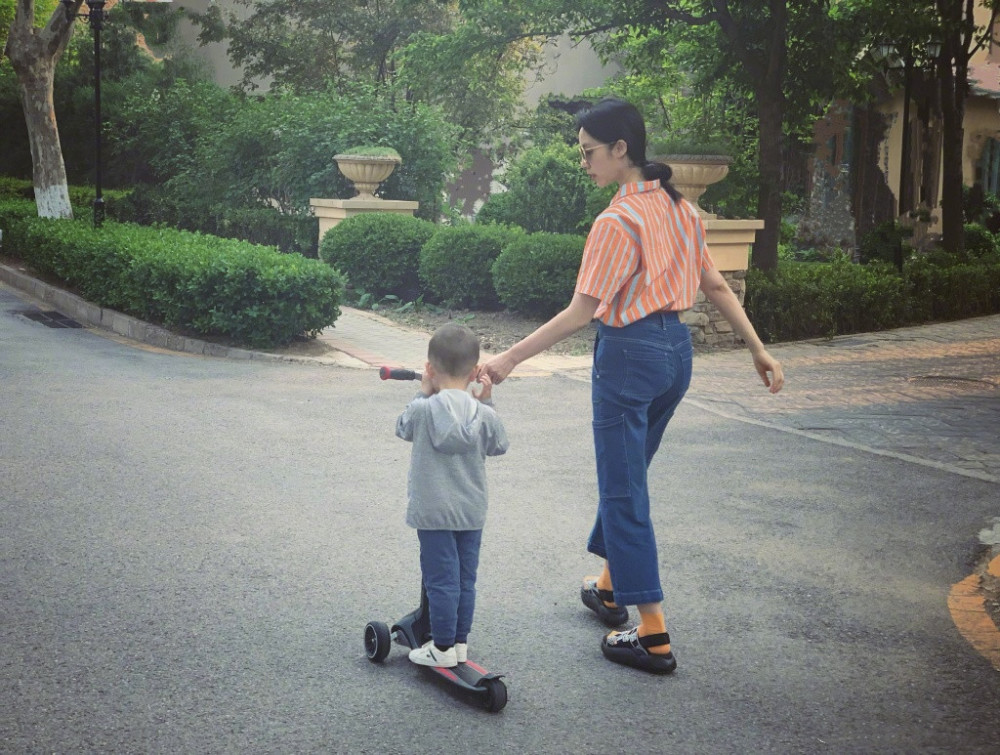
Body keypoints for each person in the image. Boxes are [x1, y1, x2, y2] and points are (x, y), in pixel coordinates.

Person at [481, 97, 784, 675]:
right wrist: (758, 348)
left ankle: (652, 634)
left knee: (623, 489)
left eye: (589, 152)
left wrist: (506, 361)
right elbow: (716, 286)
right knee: (630, 473)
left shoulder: (617, 222)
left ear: (621, 149)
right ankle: (610, 586)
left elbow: (580, 313)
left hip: (628, 357)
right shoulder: (682, 210)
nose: (584, 163)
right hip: (675, 356)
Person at [396, 323, 509, 668]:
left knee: (441, 579)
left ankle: (441, 648)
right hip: (471, 511)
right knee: (464, 579)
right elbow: (499, 445)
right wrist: (487, 401)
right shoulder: (484, 415)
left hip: (433, 511)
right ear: (475, 371)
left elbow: (402, 428)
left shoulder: (423, 410)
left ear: (429, 369)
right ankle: (458, 642)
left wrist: (422, 392)